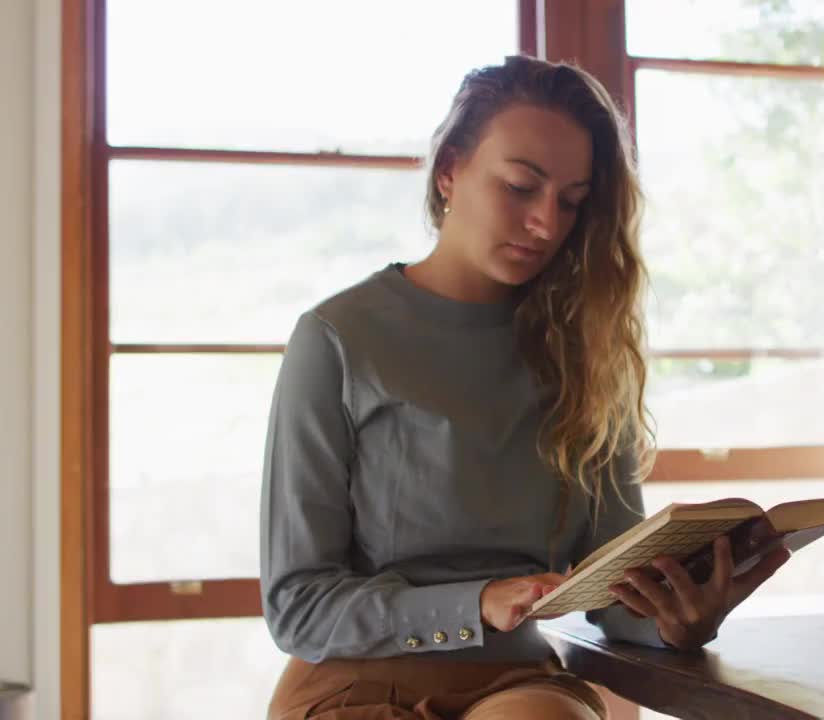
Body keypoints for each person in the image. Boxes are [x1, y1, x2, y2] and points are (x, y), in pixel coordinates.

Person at [260, 55, 791, 719]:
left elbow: (616, 596)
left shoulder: (589, 358)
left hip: (521, 687)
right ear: (450, 169)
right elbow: (297, 606)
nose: (546, 223)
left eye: (571, 202)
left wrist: (680, 620)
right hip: (355, 682)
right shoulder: (337, 339)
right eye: (520, 186)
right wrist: (475, 603)